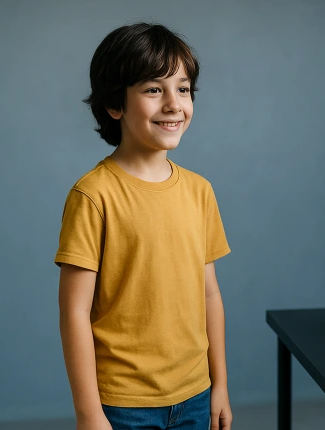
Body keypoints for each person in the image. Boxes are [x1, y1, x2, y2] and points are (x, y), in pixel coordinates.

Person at [56, 23, 233, 430]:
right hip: (122, 405)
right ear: (114, 104)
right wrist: (89, 414)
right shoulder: (93, 196)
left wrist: (219, 384)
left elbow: (210, 294)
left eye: (183, 89)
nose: (174, 104)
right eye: (154, 89)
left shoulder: (200, 191)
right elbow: (74, 311)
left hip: (194, 395)